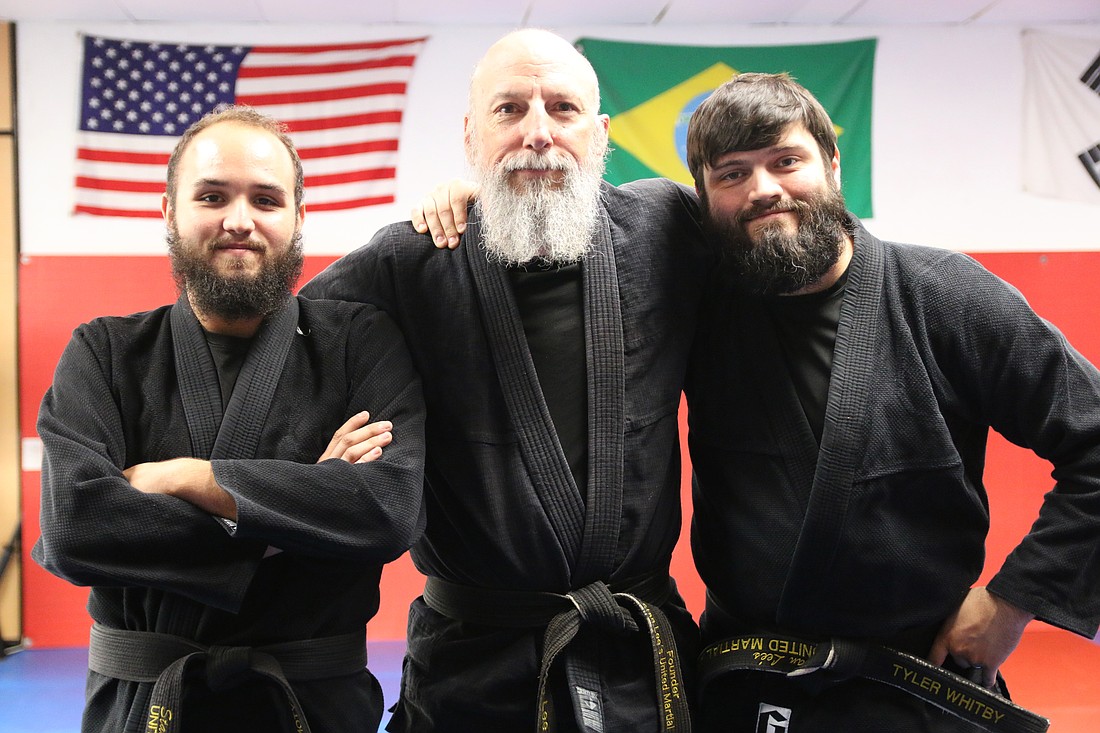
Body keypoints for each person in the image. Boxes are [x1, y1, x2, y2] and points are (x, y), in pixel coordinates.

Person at [301, 28, 709, 733]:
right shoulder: (410, 261)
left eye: (563, 109)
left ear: (601, 132)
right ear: (470, 135)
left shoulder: (666, 228)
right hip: (471, 669)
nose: (538, 132)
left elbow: (797, 246)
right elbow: (280, 343)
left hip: (634, 661)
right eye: (509, 110)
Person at [682, 72, 1100, 731]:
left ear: (833, 162)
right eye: (732, 173)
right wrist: (464, 190)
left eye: (785, 160)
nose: (763, 188)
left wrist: (1014, 601)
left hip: (917, 680)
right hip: (749, 686)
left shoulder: (945, 296)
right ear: (705, 200)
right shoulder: (698, 308)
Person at [33, 106, 426, 733]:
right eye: (212, 196)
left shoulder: (359, 343)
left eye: (266, 200)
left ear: (299, 217)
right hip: (144, 706)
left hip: (311, 705)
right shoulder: (104, 352)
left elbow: (386, 509)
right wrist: (293, 513)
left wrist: (187, 478)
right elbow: (77, 525)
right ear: (169, 212)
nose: (239, 221)